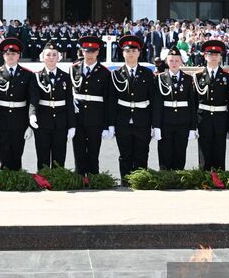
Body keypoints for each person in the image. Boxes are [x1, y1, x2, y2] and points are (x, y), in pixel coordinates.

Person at [110, 35, 156, 177]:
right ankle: (126, 181)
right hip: (122, 120)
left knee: (142, 152)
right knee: (125, 153)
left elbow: (153, 100)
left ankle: (140, 180)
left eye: (134, 51)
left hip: (142, 119)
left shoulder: (147, 74)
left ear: (139, 53)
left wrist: (154, 124)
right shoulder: (116, 74)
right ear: (123, 53)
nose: (131, 53)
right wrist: (111, 124)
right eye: (127, 51)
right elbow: (111, 101)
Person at [0, 38, 32, 171]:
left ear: (18, 55)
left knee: (18, 150)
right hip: (1, 117)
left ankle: (17, 176)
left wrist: (30, 122)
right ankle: (5, 176)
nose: (10, 56)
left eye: (13, 54)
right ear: (3, 55)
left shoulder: (27, 74)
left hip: (20, 117)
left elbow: (30, 99)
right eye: (7, 54)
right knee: (3, 149)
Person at [70, 34, 113, 175]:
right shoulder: (74, 69)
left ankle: (94, 178)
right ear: (82, 51)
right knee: (79, 151)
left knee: (94, 151)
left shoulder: (105, 73)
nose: (90, 54)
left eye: (93, 51)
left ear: (98, 52)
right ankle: (80, 178)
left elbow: (108, 101)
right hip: (78, 117)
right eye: (87, 51)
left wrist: (107, 125)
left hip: (96, 117)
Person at [29, 43, 74, 168]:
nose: (51, 57)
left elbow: (69, 102)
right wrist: (32, 116)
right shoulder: (36, 76)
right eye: (48, 55)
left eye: (54, 55)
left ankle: (58, 182)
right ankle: (43, 181)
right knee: (42, 155)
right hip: (42, 121)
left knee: (59, 156)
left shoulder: (66, 77)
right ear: (42, 57)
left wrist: (72, 125)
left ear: (58, 57)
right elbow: (33, 99)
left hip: (61, 122)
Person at [153, 47, 196, 170]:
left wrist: (193, 127)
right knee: (164, 151)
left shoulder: (188, 79)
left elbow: (192, 104)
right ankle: (165, 178)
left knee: (180, 151)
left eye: (177, 60)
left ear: (181, 61)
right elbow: (157, 103)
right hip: (165, 121)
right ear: (167, 61)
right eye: (171, 60)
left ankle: (178, 178)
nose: (174, 63)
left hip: (183, 121)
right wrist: (156, 126)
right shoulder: (160, 78)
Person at [194, 39, 229, 170]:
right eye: (210, 54)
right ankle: (204, 178)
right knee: (204, 149)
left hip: (221, 117)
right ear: (205, 56)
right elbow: (194, 101)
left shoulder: (227, 76)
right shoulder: (198, 76)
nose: (214, 57)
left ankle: (219, 177)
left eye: (216, 54)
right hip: (203, 117)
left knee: (220, 148)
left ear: (220, 57)